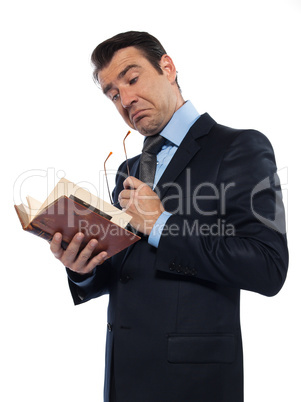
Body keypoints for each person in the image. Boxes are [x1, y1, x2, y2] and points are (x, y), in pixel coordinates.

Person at [50, 31, 288, 402]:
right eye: (113, 94)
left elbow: (268, 266)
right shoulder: (128, 169)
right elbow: (125, 273)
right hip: (122, 378)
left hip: (193, 382)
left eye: (132, 79)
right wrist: (83, 267)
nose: (125, 100)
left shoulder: (242, 147)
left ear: (167, 67)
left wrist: (161, 224)